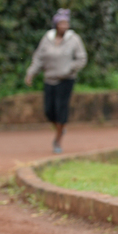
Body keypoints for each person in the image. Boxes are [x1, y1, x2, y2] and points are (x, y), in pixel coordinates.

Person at [25, 8, 87, 153]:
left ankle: (57, 140)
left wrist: (69, 68)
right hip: (49, 79)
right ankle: (60, 127)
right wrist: (31, 73)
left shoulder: (74, 39)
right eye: (61, 23)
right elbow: (39, 58)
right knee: (49, 111)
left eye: (66, 23)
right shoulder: (47, 38)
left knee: (61, 110)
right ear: (56, 25)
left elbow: (82, 58)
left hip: (66, 80)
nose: (64, 26)